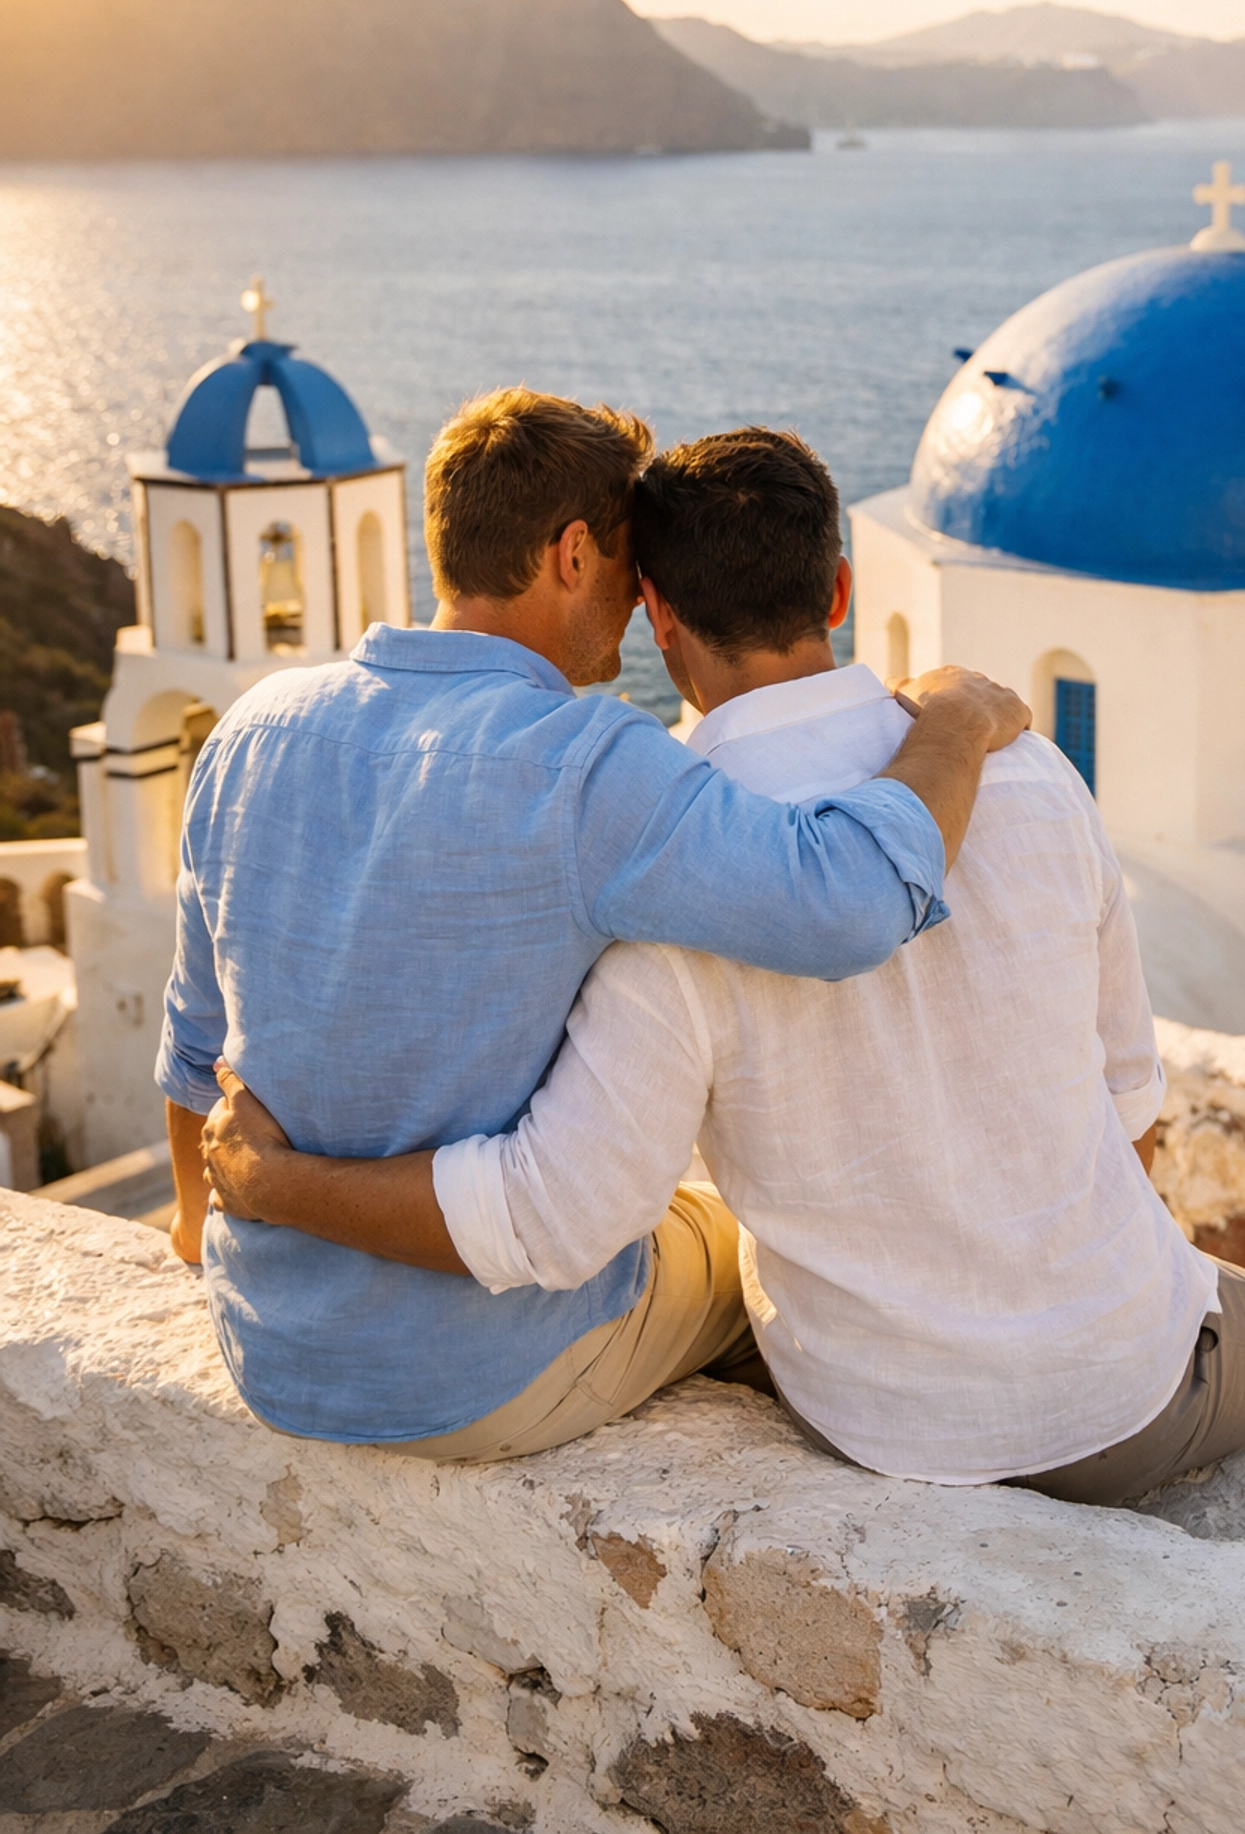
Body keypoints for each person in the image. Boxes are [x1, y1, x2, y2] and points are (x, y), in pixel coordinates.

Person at [204, 426, 1245, 1496]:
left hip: (874, 1415)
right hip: (1115, 1384)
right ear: (843, 589)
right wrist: (959, 723)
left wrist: (266, 1188)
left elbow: (555, 1204)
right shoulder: (1031, 777)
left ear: (657, 618)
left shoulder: (666, 847)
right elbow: (1128, 1111)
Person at [160, 392, 1026, 1456]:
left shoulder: (254, 726)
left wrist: (206, 1224)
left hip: (269, 1350)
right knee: (744, 1256)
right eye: (629, 570)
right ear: (573, 554)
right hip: (475, 1378)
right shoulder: (584, 761)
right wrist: (954, 720)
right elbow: (846, 904)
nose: (638, 605)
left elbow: (196, 1039)